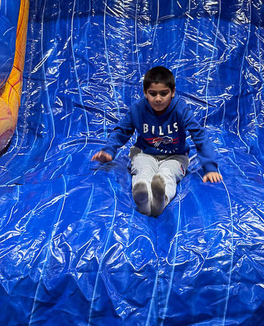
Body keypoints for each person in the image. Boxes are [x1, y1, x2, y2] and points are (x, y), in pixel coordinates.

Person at [91, 65, 222, 217]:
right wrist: (109, 150)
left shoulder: (181, 110)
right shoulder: (138, 108)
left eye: (163, 93)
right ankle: (143, 200)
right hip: (145, 153)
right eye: (153, 94)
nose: (158, 99)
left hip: (175, 156)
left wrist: (210, 167)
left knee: (167, 174)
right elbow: (122, 130)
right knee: (143, 170)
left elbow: (199, 135)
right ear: (145, 93)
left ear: (172, 92)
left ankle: (161, 199)